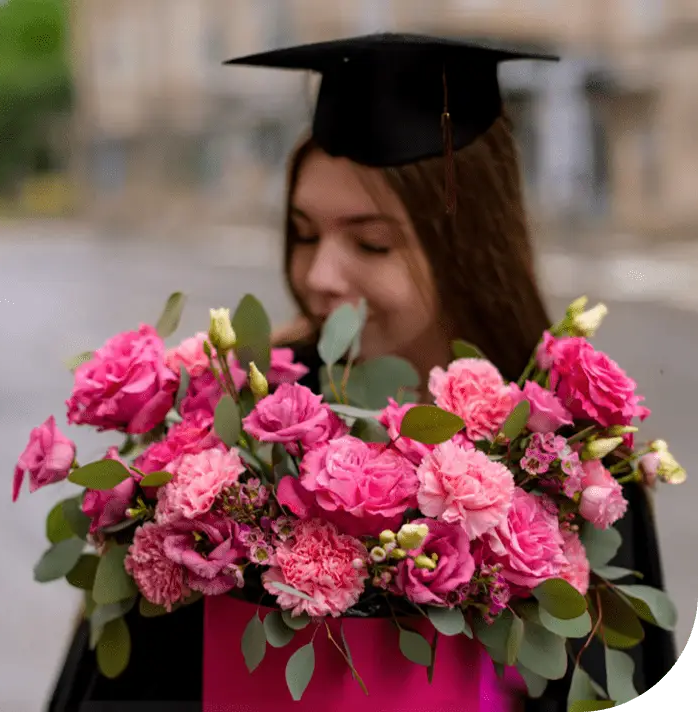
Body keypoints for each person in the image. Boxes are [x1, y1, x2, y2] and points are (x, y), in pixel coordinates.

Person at [47, 33, 676, 711]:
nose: (319, 276)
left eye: (370, 242)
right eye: (305, 233)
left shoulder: (569, 461)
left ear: (467, 244)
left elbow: (621, 685)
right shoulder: (235, 434)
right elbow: (131, 684)